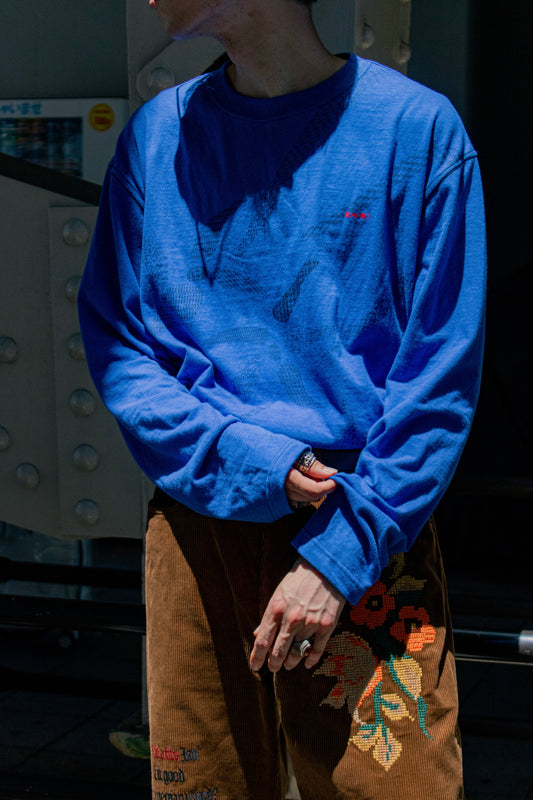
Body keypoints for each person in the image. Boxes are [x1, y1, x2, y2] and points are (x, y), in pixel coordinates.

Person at [78, 0, 486, 797]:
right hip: (198, 524)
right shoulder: (157, 136)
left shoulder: (415, 132)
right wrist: (244, 460)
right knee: (205, 790)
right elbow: (120, 346)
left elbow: (438, 380)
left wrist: (338, 558)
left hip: (363, 520)